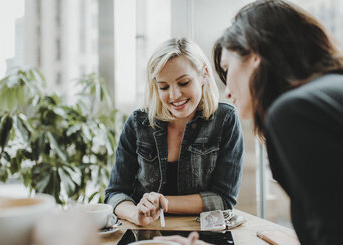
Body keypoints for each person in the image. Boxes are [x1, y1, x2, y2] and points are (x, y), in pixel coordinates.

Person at [155, 0, 343, 245]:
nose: (227, 92)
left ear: (254, 56)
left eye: (227, 67)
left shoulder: (296, 111)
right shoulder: (331, 93)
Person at [104, 38, 244, 226]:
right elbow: (114, 193)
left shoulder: (225, 120)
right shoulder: (138, 123)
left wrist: (163, 202)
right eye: (164, 87)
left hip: (202, 235)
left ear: (204, 74)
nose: (174, 95)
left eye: (184, 83)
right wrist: (134, 214)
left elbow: (224, 199)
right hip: (145, 233)